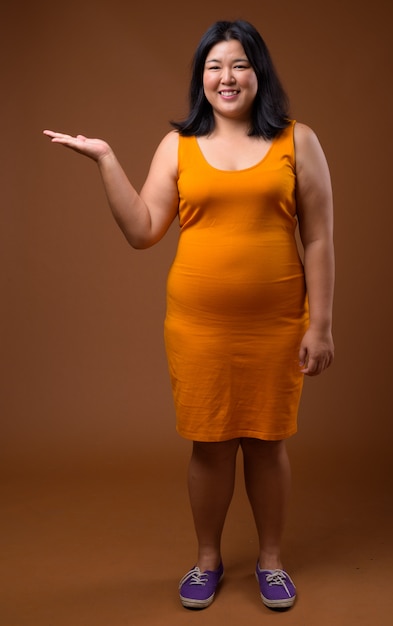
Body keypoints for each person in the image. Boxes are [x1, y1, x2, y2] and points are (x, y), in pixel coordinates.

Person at [44, 19, 334, 611]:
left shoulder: (298, 141)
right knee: (209, 443)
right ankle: (207, 559)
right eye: (214, 67)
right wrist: (104, 160)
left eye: (239, 65)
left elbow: (321, 240)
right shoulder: (176, 146)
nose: (226, 78)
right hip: (197, 325)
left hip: (277, 323)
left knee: (267, 442)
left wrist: (320, 323)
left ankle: (271, 563)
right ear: (201, 78)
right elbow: (143, 230)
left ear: (259, 72)